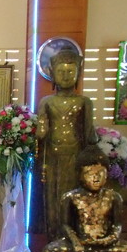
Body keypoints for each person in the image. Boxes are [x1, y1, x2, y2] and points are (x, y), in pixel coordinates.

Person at [42, 143, 127, 252]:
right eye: (89, 173)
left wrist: (109, 240)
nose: (95, 177)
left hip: (107, 246)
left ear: (107, 174)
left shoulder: (114, 197)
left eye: (100, 173)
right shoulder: (70, 197)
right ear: (80, 175)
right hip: (80, 244)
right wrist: (76, 243)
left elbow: (117, 226)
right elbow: (66, 225)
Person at [36, 46, 94, 240]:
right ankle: (53, 237)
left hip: (75, 156)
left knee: (72, 197)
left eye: (70, 71)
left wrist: (90, 160)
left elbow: (89, 134)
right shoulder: (46, 102)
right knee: (52, 198)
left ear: (78, 74)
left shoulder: (84, 102)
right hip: (52, 157)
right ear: (53, 74)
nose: (66, 76)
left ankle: (72, 238)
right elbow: (41, 131)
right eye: (61, 72)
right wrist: (40, 132)